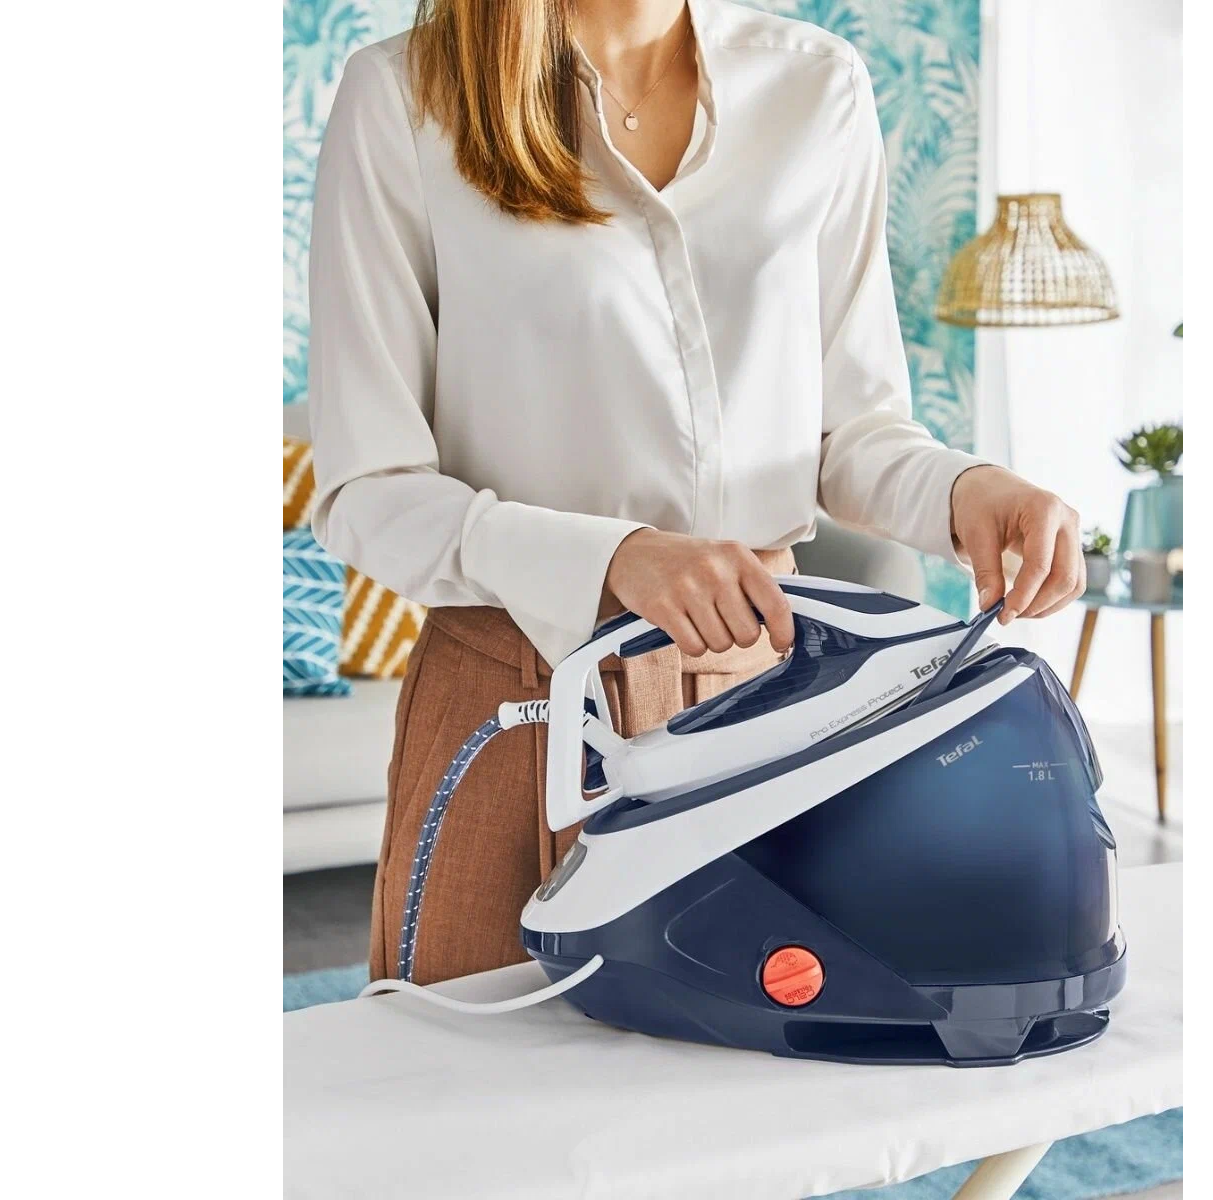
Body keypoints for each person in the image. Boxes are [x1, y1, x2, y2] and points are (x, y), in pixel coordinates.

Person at [308, 0, 1084, 985]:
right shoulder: (404, 98)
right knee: (464, 1073)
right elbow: (368, 488)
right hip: (512, 704)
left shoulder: (816, 84)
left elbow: (852, 432)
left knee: (767, 1070)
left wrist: (968, 490)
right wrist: (615, 560)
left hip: (769, 707)